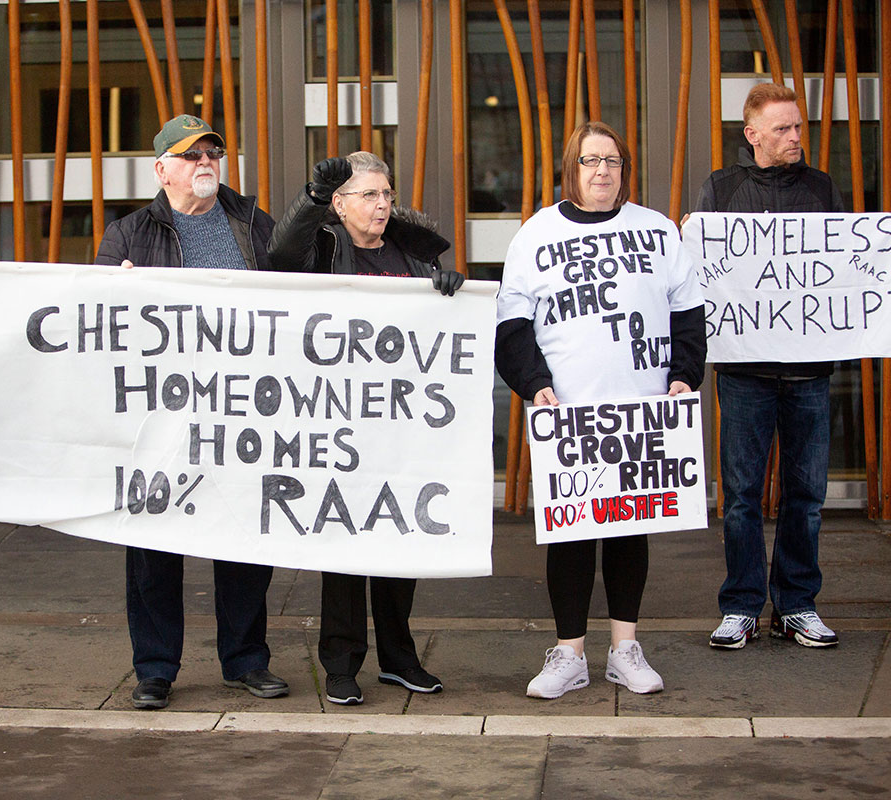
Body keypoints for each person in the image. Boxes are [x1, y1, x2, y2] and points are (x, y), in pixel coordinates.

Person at [496, 122, 706, 699]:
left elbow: (689, 316)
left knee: (628, 532)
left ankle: (624, 649)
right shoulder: (536, 235)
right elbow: (511, 328)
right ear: (573, 169)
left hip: (641, 415)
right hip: (567, 415)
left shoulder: (658, 232)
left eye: (612, 161)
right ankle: (568, 655)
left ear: (624, 169)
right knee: (568, 537)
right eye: (590, 161)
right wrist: (534, 385)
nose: (602, 171)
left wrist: (686, 376)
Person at [94, 114, 288, 709]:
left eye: (213, 152)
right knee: (153, 541)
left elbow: (294, 297)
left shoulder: (254, 224)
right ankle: (155, 668)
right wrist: (117, 292)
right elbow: (99, 321)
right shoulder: (127, 234)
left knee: (243, 541)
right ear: (162, 170)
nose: (205, 162)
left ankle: (246, 661)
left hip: (241, 409)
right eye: (191, 154)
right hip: (160, 415)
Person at [267, 151, 465, 705]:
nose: (382, 205)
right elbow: (279, 257)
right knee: (346, 544)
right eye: (369, 195)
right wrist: (309, 201)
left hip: (402, 423)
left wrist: (444, 291)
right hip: (340, 421)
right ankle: (341, 662)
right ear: (340, 203)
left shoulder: (412, 252)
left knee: (401, 540)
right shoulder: (324, 248)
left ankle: (399, 658)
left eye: (386, 194)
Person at [695, 83, 845, 650]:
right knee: (741, 497)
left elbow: (844, 270)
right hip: (745, 374)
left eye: (798, 127)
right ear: (752, 134)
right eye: (782, 129)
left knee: (806, 497)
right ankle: (740, 606)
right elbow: (699, 277)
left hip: (809, 372)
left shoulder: (821, 188)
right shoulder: (721, 189)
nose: (795, 138)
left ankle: (797, 604)